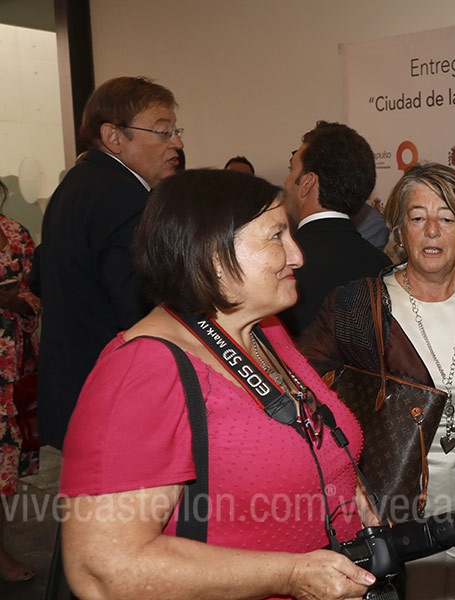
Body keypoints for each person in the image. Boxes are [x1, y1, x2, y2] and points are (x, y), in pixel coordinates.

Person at [59, 169, 376, 600]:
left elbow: (308, 435)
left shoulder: (264, 330)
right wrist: (290, 575)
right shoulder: (142, 370)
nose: (298, 255)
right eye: (276, 236)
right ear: (211, 252)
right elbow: (103, 569)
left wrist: (351, 496)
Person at [299, 162, 455, 600]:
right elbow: (303, 385)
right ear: (399, 231)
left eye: (448, 218)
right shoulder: (358, 303)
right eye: (418, 217)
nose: (432, 231)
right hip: (394, 507)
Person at [36, 76, 184, 449]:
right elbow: (138, 307)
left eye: (175, 132)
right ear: (114, 137)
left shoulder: (75, 185)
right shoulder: (125, 198)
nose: (176, 144)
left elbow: (39, 279)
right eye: (163, 132)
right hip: (112, 397)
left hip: (72, 387)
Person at [277, 121, 392, 337]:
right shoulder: (384, 268)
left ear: (307, 183)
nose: (286, 180)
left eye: (292, 169)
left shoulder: (281, 263)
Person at [0, 179, 40, 582]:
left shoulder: (16, 234)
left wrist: (18, 301)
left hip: (11, 367)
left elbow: (36, 292)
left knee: (3, 463)